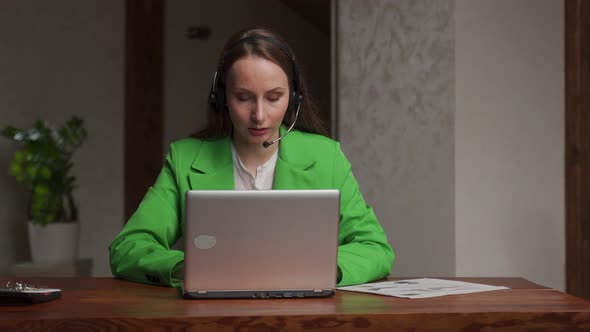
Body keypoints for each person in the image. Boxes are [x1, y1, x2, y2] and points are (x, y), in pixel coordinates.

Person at [109, 27, 394, 288]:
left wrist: (322, 269)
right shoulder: (184, 158)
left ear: (294, 98)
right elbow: (128, 247)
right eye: (243, 97)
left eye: (274, 97)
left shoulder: (326, 157)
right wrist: (190, 267)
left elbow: (375, 248)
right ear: (221, 98)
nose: (259, 115)